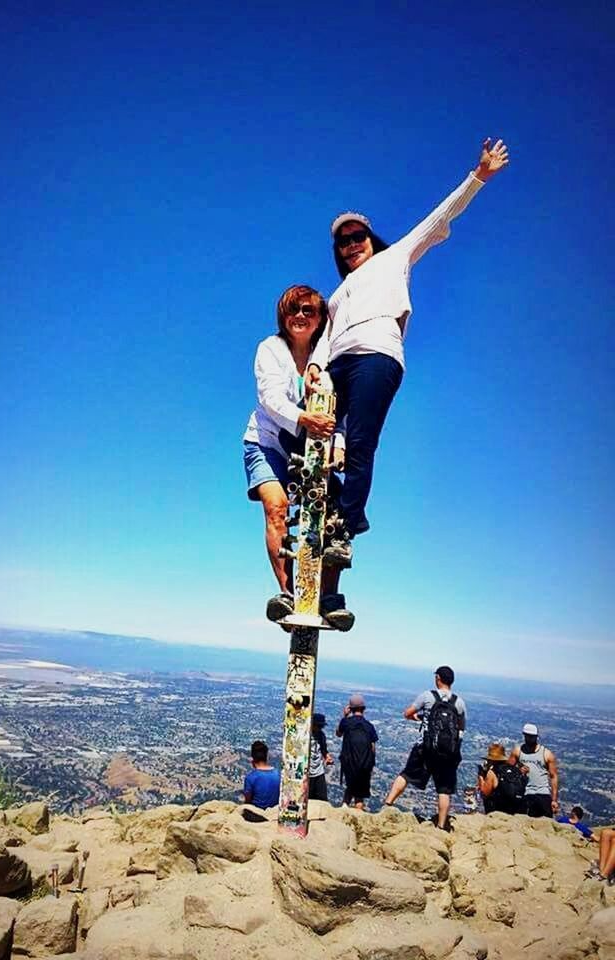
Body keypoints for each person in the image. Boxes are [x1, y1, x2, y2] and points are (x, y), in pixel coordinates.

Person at [307, 139, 510, 568]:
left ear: (370, 238)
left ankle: (345, 530)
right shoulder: (338, 293)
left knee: (360, 441)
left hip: (376, 357)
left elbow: (439, 216)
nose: (351, 245)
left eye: (357, 236)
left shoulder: (395, 256)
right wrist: (313, 366)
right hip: (336, 366)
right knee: (316, 444)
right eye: (343, 242)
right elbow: (324, 338)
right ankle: (331, 511)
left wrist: (479, 177)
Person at [242, 284, 353, 630]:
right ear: (283, 315)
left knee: (331, 512)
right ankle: (288, 593)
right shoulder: (270, 349)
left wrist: (341, 442)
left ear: (320, 318)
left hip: (315, 448)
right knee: (276, 508)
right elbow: (270, 399)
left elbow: (342, 411)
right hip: (268, 441)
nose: (301, 316)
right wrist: (304, 418)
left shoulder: (332, 359)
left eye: (309, 310)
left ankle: (329, 595)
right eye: (295, 309)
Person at [384, 666, 466, 830]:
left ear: (438, 678)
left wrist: (418, 718)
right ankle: (441, 826)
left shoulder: (428, 696)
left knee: (406, 774)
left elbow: (407, 713)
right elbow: (461, 727)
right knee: (444, 789)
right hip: (447, 752)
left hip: (425, 747)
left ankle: (388, 805)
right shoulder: (459, 702)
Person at [336, 694, 378, 809]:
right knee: (359, 795)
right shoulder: (369, 726)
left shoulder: (346, 722)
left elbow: (338, 733)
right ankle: (357, 817)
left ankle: (344, 808)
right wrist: (370, 764)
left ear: (350, 708)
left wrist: (344, 716)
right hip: (365, 764)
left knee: (350, 786)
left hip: (349, 762)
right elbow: (373, 747)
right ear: (364, 709)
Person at [509, 723, 559, 818]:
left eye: (532, 737)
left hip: (543, 793)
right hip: (525, 793)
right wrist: (518, 770)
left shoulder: (546, 754)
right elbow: (508, 770)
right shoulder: (518, 751)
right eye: (528, 736)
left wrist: (554, 799)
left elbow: (553, 776)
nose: (530, 739)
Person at [477, 742, 527, 815]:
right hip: (516, 810)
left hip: (498, 811)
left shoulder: (493, 772)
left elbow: (485, 792)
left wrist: (481, 776)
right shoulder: (515, 770)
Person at [242, 740, 280, 809]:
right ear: (267, 757)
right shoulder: (278, 774)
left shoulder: (250, 778)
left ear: (252, 759)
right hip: (275, 811)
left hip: (257, 813)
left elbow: (247, 801)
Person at [309, 712, 333, 802]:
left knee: (322, 800)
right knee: (308, 799)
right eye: (318, 726)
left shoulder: (321, 735)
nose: (320, 728)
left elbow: (323, 749)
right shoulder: (305, 736)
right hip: (308, 773)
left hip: (319, 772)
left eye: (321, 726)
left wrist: (327, 757)